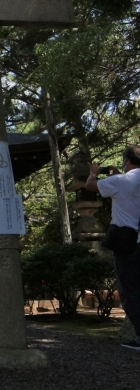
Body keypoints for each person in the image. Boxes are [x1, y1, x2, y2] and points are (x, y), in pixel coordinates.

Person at [86, 146, 140, 350]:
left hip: (128, 243)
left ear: (126, 161)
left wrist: (93, 172)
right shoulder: (124, 180)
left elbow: (91, 186)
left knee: (130, 290)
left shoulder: (120, 182)